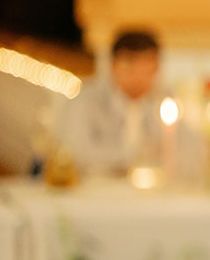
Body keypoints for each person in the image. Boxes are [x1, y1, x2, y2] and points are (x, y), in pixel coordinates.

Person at [52, 28, 165, 176]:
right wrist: (135, 155)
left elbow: (180, 152)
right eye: (131, 69)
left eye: (147, 70)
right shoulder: (85, 101)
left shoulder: (163, 105)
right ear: (112, 66)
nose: (139, 79)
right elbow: (78, 152)